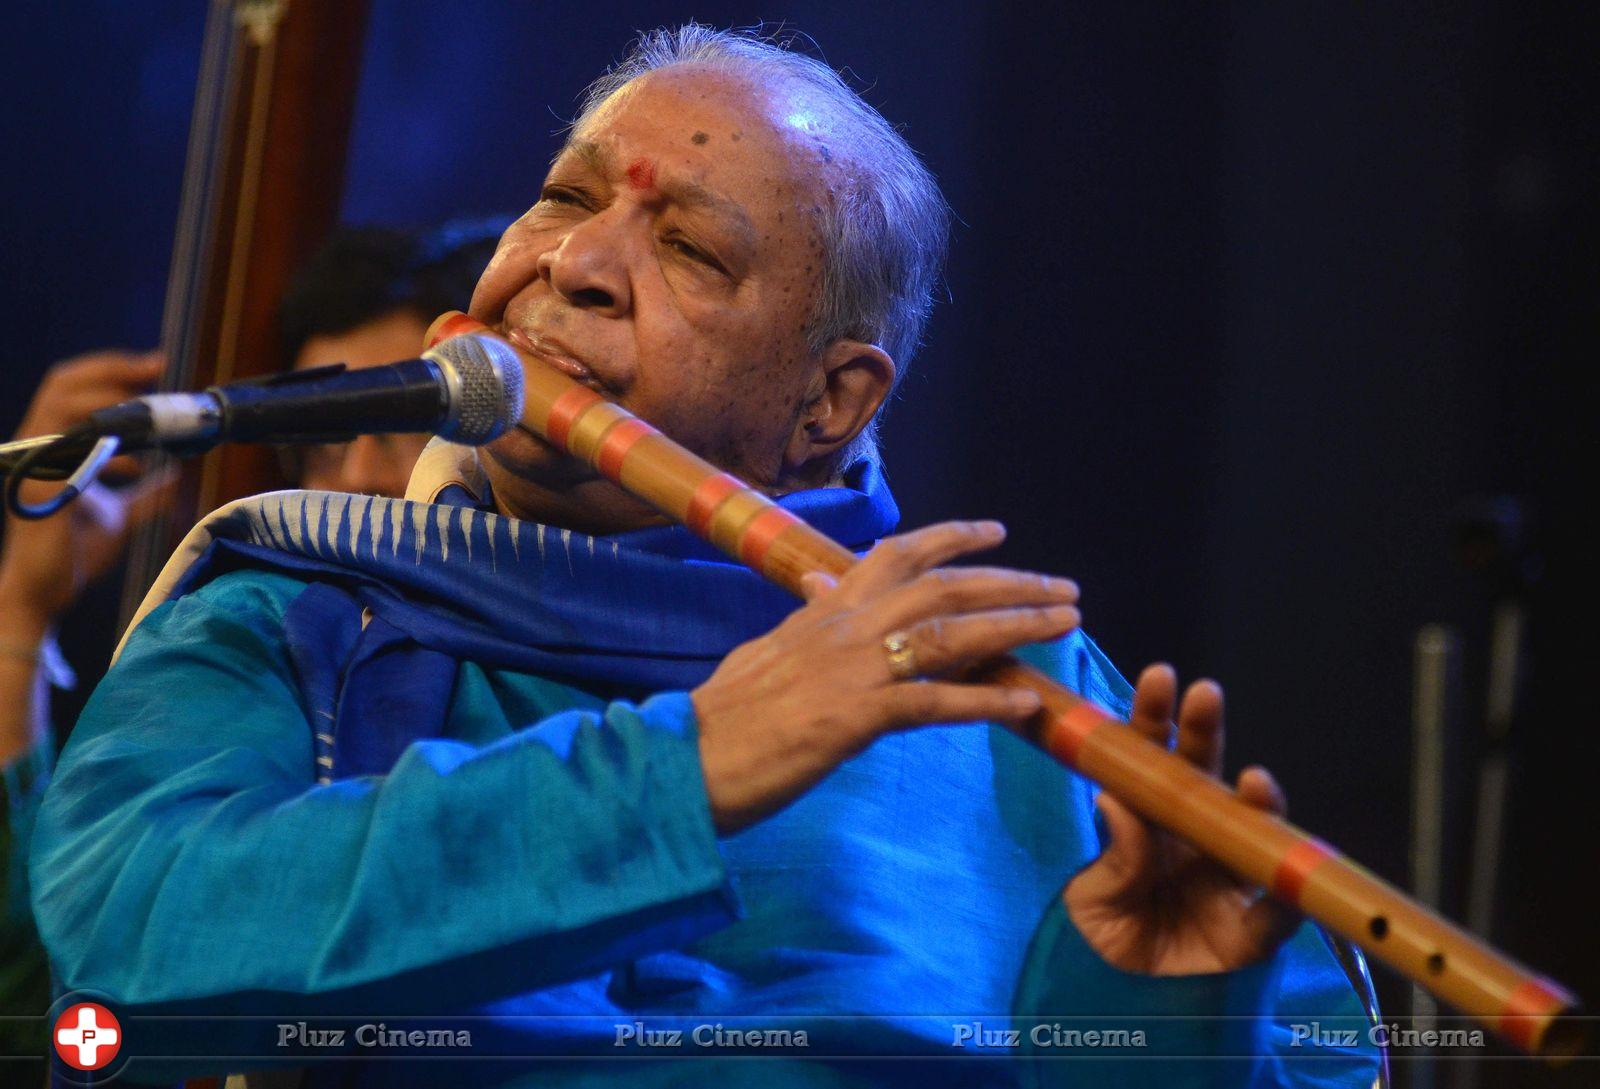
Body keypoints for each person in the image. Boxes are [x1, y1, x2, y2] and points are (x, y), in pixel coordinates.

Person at [30, 25, 1380, 1087]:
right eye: (564, 198)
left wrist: (1159, 1016)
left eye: (689, 249)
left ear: (830, 405)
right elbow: (121, 943)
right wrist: (689, 772)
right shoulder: (300, 599)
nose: (577, 263)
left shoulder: (1008, 681)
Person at [0, 221, 502, 1063]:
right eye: (327, 439)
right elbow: (40, 1001)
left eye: (400, 421)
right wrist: (22, 606)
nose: (360, 477)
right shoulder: (274, 645)